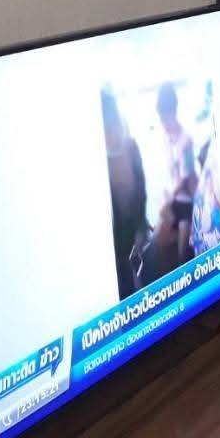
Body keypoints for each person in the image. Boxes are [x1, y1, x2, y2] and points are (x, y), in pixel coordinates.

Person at [101, 89, 147, 298]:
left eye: (115, 124)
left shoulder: (132, 147)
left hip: (136, 232)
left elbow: (141, 191)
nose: (114, 133)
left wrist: (141, 228)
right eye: (108, 127)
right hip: (117, 247)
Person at [156, 82, 197, 263]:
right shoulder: (167, 139)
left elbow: (185, 178)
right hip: (173, 200)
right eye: (161, 120)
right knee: (157, 241)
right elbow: (171, 175)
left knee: (182, 255)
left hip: (186, 201)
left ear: (173, 113)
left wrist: (171, 196)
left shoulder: (186, 140)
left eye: (165, 119)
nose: (163, 124)